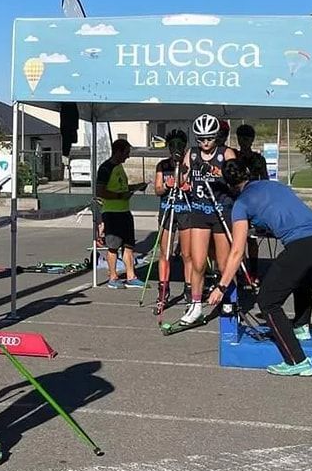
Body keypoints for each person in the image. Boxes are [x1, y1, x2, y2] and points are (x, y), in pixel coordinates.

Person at [209, 159, 312, 376]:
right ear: (248, 172)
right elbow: (284, 212)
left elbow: (237, 251)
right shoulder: (274, 185)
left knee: (267, 301)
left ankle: (297, 361)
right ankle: (301, 326)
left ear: (230, 185)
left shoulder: (241, 204)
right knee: (300, 273)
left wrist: (221, 287)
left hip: (305, 244)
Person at [177, 113, 236, 325]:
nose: (205, 143)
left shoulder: (225, 153)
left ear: (216, 136)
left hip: (221, 212)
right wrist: (181, 172)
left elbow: (235, 178)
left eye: (209, 138)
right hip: (200, 212)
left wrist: (213, 170)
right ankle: (195, 305)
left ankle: (230, 301)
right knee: (198, 262)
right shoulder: (192, 154)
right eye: (201, 139)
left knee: (224, 263)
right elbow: (182, 179)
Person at [97, 138, 147, 288]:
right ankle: (113, 277)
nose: (128, 156)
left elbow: (122, 188)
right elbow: (100, 191)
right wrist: (119, 196)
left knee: (129, 245)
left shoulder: (119, 167)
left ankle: (131, 276)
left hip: (125, 211)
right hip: (111, 213)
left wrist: (136, 186)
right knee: (113, 247)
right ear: (118, 152)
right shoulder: (105, 168)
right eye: (126, 152)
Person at [153, 129, 191, 309]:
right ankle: (163, 291)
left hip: (185, 210)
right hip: (167, 210)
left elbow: (194, 187)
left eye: (179, 146)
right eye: (172, 146)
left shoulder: (189, 165)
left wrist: (188, 187)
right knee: (165, 252)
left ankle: (189, 291)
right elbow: (157, 189)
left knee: (187, 254)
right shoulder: (162, 165)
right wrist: (167, 186)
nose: (176, 149)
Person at [235, 124, 269, 278]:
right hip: (238, 201)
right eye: (241, 138)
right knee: (238, 239)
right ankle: (240, 272)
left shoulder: (258, 159)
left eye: (247, 138)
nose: (244, 141)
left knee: (252, 239)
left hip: (254, 202)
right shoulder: (234, 157)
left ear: (252, 140)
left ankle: (253, 272)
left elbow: (265, 179)